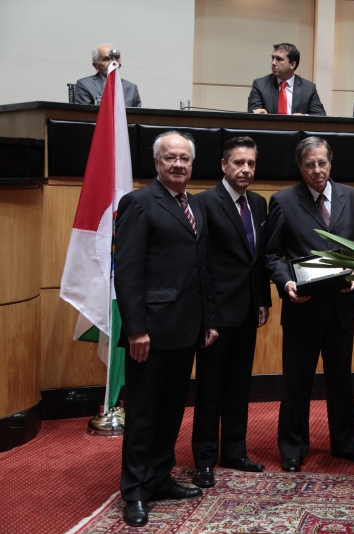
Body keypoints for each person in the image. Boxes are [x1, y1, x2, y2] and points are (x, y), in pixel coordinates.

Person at [115, 131, 218, 527]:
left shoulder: (196, 205)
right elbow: (126, 272)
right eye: (170, 158)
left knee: (173, 410)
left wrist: (208, 320)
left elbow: (203, 269)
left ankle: (159, 477)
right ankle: (135, 491)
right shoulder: (139, 203)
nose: (179, 164)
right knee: (143, 414)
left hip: (187, 329)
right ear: (156, 163)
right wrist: (135, 329)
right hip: (151, 333)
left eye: (185, 159)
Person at [264, 136, 354, 473]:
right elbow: (272, 253)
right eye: (309, 164)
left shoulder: (353, 198)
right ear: (300, 166)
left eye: (322, 163)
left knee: (341, 380)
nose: (316, 170)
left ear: (331, 162)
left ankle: (346, 444)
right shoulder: (283, 201)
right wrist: (285, 282)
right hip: (303, 305)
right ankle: (293, 448)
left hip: (341, 306)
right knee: (297, 382)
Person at [190, 137, 272, 488]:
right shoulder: (205, 203)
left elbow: (259, 259)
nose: (245, 170)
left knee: (240, 384)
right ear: (224, 165)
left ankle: (234, 451)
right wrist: (207, 315)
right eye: (239, 163)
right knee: (210, 388)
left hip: (248, 308)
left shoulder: (258, 203)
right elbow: (202, 263)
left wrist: (263, 298)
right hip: (217, 313)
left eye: (251, 164)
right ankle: (204, 459)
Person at [247, 43, 326, 115]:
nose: (273, 63)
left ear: (292, 64)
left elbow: (320, 116)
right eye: (273, 58)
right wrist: (258, 113)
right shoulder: (260, 85)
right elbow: (253, 111)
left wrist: (304, 117)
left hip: (297, 130)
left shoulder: (308, 88)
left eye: (279, 59)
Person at [74, 44, 141, 107]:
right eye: (106, 59)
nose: (111, 63)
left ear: (119, 65)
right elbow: (84, 115)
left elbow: (138, 117)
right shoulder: (85, 85)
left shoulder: (132, 88)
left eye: (115, 59)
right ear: (95, 65)